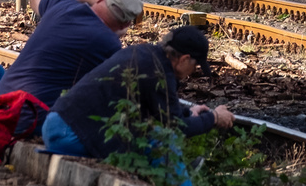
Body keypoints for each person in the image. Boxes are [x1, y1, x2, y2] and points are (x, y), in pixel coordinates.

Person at [43, 25, 233, 168]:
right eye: (195, 65)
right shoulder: (159, 72)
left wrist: (188, 112)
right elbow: (177, 126)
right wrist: (214, 117)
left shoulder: (144, 54)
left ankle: (173, 175)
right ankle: (178, 180)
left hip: (57, 123)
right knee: (159, 141)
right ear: (184, 59)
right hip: (71, 135)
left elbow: (164, 111)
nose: (193, 71)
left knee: (149, 135)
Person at [0, 0, 144, 107]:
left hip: (1, 100)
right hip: (31, 117)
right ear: (127, 23)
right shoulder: (109, 44)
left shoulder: (62, 7)